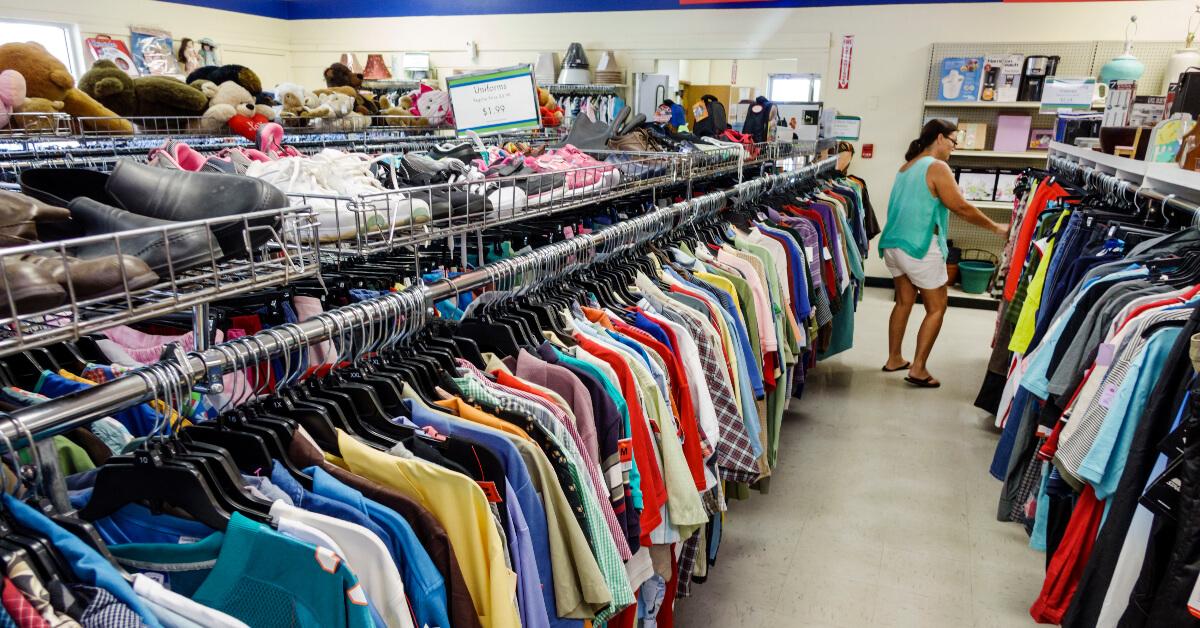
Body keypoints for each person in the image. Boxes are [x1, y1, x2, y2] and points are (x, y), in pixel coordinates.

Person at [878, 119, 1008, 388]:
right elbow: (959, 206)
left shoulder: (907, 166)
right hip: (920, 247)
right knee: (936, 308)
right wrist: (996, 227)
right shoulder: (937, 167)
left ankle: (894, 358)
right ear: (939, 138)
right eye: (952, 141)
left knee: (903, 301)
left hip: (893, 244)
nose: (954, 147)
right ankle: (919, 369)